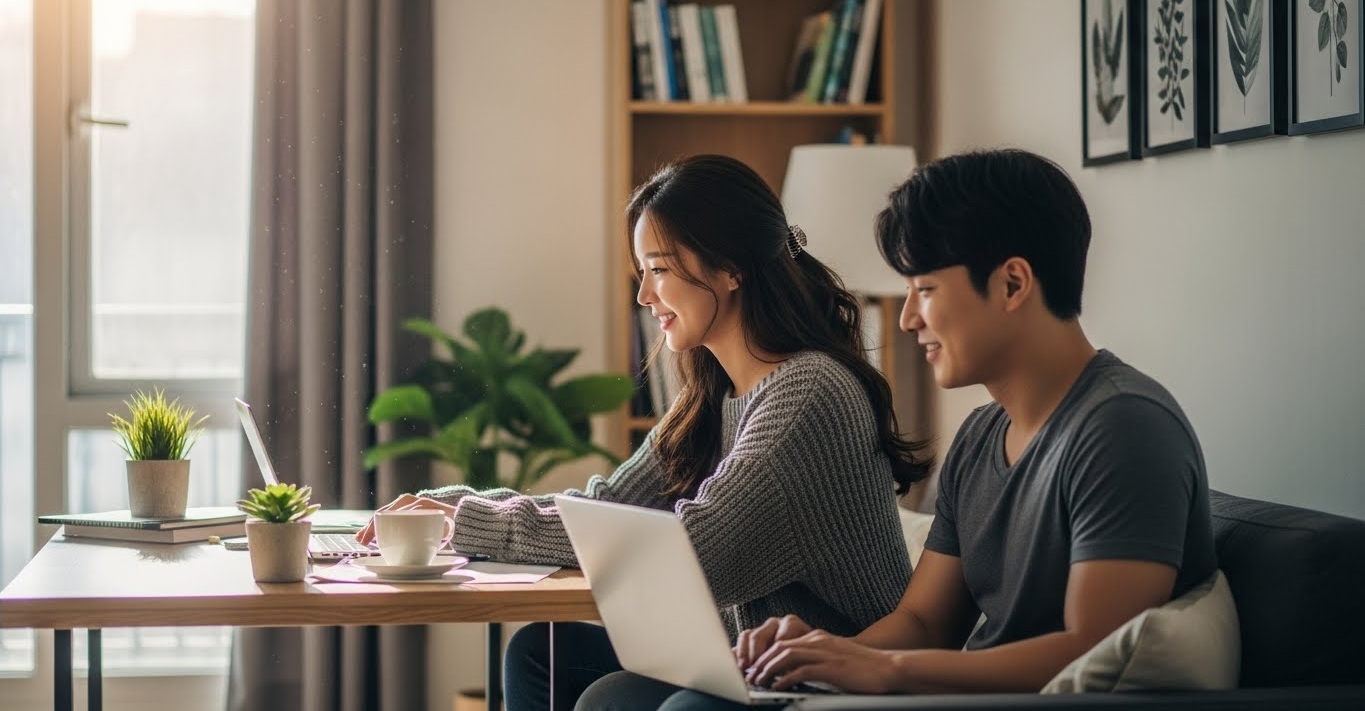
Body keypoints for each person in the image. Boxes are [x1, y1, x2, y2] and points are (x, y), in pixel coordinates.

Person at [580, 148, 1219, 709]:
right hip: (940, 690)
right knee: (613, 692)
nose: (910, 318)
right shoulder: (980, 437)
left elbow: (1089, 653)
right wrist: (829, 653)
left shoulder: (1123, 428)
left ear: (1013, 283)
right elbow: (921, 621)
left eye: (926, 288)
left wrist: (882, 670)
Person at [356, 154, 931, 710]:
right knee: (540, 653)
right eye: (643, 273)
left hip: (834, 682)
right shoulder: (712, 395)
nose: (644, 297)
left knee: (615, 695)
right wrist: (460, 509)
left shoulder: (807, 394)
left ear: (731, 269)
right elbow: (604, 508)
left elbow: (699, 552)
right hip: (748, 664)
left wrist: (474, 522)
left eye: (658, 270)